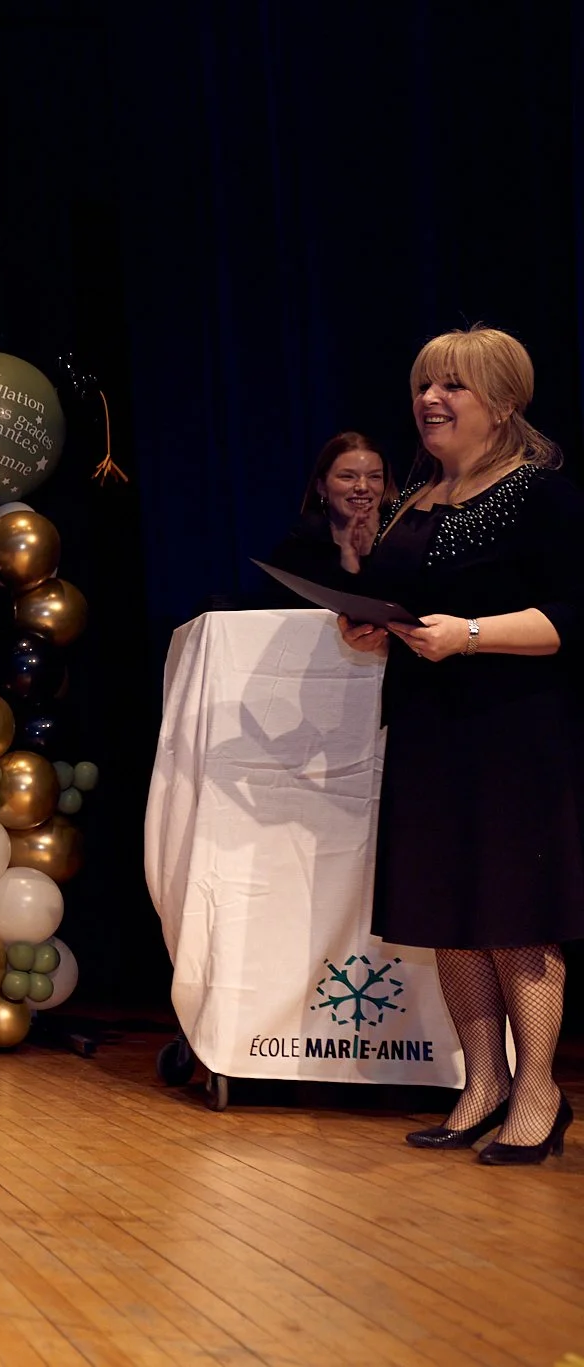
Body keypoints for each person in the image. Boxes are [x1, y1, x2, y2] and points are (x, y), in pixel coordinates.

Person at [338, 325, 582, 1165]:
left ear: (504, 402)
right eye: (424, 384)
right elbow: (397, 604)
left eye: (455, 386)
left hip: (512, 733)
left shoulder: (540, 493)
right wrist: (368, 626)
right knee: (452, 917)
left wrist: (471, 633)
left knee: (516, 918)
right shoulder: (418, 494)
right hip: (432, 731)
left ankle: (540, 1092)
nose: (430, 399)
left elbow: (570, 618)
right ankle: (481, 1085)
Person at [264, 431, 397, 589]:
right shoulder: (297, 550)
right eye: (347, 476)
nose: (362, 487)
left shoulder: (403, 543)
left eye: (374, 477)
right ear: (321, 487)